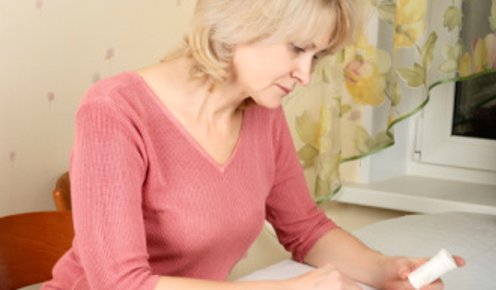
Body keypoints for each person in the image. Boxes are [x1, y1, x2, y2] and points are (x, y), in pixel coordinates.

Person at [42, 0, 464, 289]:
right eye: (297, 49)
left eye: (315, 57)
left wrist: (384, 268)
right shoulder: (115, 110)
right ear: (242, 22)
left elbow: (305, 229)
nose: (305, 75)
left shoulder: (263, 111)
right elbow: (118, 283)